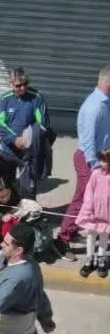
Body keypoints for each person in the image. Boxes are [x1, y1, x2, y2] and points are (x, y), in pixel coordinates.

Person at [56, 68, 110, 251]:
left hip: (100, 159)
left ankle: (71, 230)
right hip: (90, 160)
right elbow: (87, 142)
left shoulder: (104, 102)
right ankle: (62, 239)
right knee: (83, 200)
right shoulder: (94, 107)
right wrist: (96, 167)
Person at [0, 68, 53, 199]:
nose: (23, 88)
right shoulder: (5, 99)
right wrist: (14, 139)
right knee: (3, 189)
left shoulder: (37, 97)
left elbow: (43, 124)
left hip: (28, 153)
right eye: (18, 85)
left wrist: (26, 140)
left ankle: (26, 214)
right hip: (8, 151)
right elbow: (0, 123)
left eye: (25, 84)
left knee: (28, 191)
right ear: (10, 84)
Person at [75, 146, 110, 279]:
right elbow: (89, 191)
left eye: (105, 161)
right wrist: (88, 208)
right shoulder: (96, 173)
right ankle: (89, 259)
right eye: (101, 160)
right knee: (91, 236)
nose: (101, 163)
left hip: (107, 213)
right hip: (93, 212)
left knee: (104, 237)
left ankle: (101, 260)